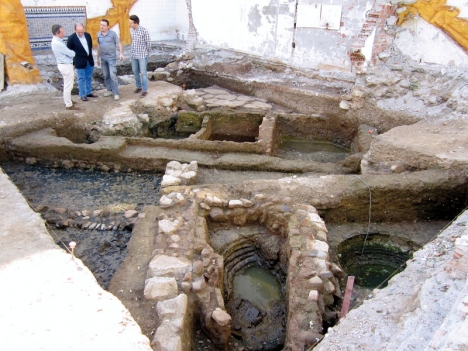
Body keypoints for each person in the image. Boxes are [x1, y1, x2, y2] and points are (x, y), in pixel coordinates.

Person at [67, 23, 97, 101]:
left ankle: (89, 92)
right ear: (75, 30)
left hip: (89, 59)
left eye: (82, 32)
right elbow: (69, 50)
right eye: (79, 32)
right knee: (81, 78)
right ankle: (82, 94)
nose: (81, 33)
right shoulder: (71, 38)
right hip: (79, 61)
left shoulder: (87, 35)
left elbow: (90, 46)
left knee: (88, 77)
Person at [97, 19, 125, 101]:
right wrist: (97, 58)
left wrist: (121, 53)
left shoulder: (113, 34)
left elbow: (119, 44)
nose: (101, 26)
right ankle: (109, 90)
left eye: (103, 25)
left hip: (111, 58)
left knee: (113, 75)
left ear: (108, 27)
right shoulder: (99, 35)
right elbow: (99, 46)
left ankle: (116, 93)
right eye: (101, 25)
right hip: (103, 58)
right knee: (106, 75)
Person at [51, 24, 77, 110]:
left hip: (64, 64)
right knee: (68, 85)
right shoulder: (58, 43)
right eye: (62, 32)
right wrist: (73, 53)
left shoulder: (57, 41)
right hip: (65, 65)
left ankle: (68, 100)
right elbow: (71, 53)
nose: (64, 33)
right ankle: (68, 104)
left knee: (68, 84)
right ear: (57, 33)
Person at [129, 15, 151, 97]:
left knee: (143, 73)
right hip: (134, 55)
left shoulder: (144, 30)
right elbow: (133, 41)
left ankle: (144, 90)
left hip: (142, 55)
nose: (130, 24)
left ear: (136, 23)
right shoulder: (131, 30)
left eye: (131, 23)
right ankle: (138, 86)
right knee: (135, 71)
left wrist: (146, 54)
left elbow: (148, 43)